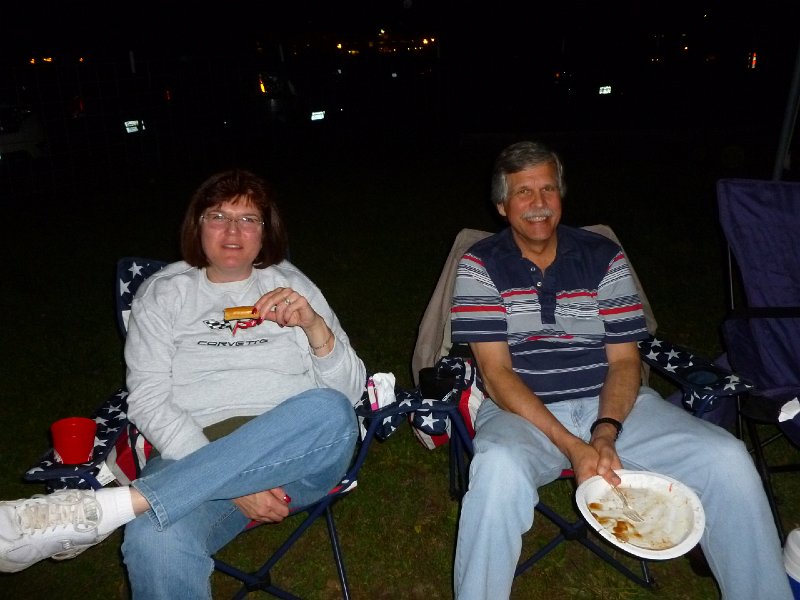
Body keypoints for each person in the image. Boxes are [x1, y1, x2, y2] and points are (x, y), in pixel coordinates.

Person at [0, 169, 367, 598]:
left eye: (248, 219)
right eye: (218, 216)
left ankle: (107, 508)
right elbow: (149, 399)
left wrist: (313, 324)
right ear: (197, 226)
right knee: (154, 540)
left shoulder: (291, 285)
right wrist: (234, 480)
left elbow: (350, 393)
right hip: (188, 449)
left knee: (328, 410)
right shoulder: (163, 293)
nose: (233, 230)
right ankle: (126, 508)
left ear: (266, 233)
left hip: (298, 455)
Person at [449, 141, 791, 599]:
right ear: (501, 205)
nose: (538, 203)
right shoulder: (480, 265)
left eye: (548, 188)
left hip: (613, 406)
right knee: (495, 471)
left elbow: (626, 361)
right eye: (524, 192)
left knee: (727, 459)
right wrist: (574, 446)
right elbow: (496, 375)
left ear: (562, 195)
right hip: (521, 415)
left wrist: (605, 432)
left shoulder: (601, 256)